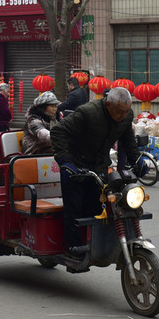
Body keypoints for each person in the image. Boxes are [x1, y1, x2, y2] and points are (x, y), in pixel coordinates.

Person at [50, 86, 139, 257]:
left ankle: (95, 245)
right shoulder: (87, 112)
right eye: (119, 111)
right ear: (108, 104)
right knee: (74, 207)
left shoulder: (126, 116)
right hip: (74, 165)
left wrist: (136, 159)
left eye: (126, 111)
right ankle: (73, 248)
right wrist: (65, 161)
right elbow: (58, 132)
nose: (123, 115)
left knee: (98, 206)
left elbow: (128, 141)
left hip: (98, 167)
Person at [23, 90, 61, 155]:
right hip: (34, 153)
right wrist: (58, 137)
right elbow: (41, 133)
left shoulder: (54, 118)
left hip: (50, 150)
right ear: (43, 107)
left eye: (55, 106)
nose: (55, 109)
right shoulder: (33, 119)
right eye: (52, 106)